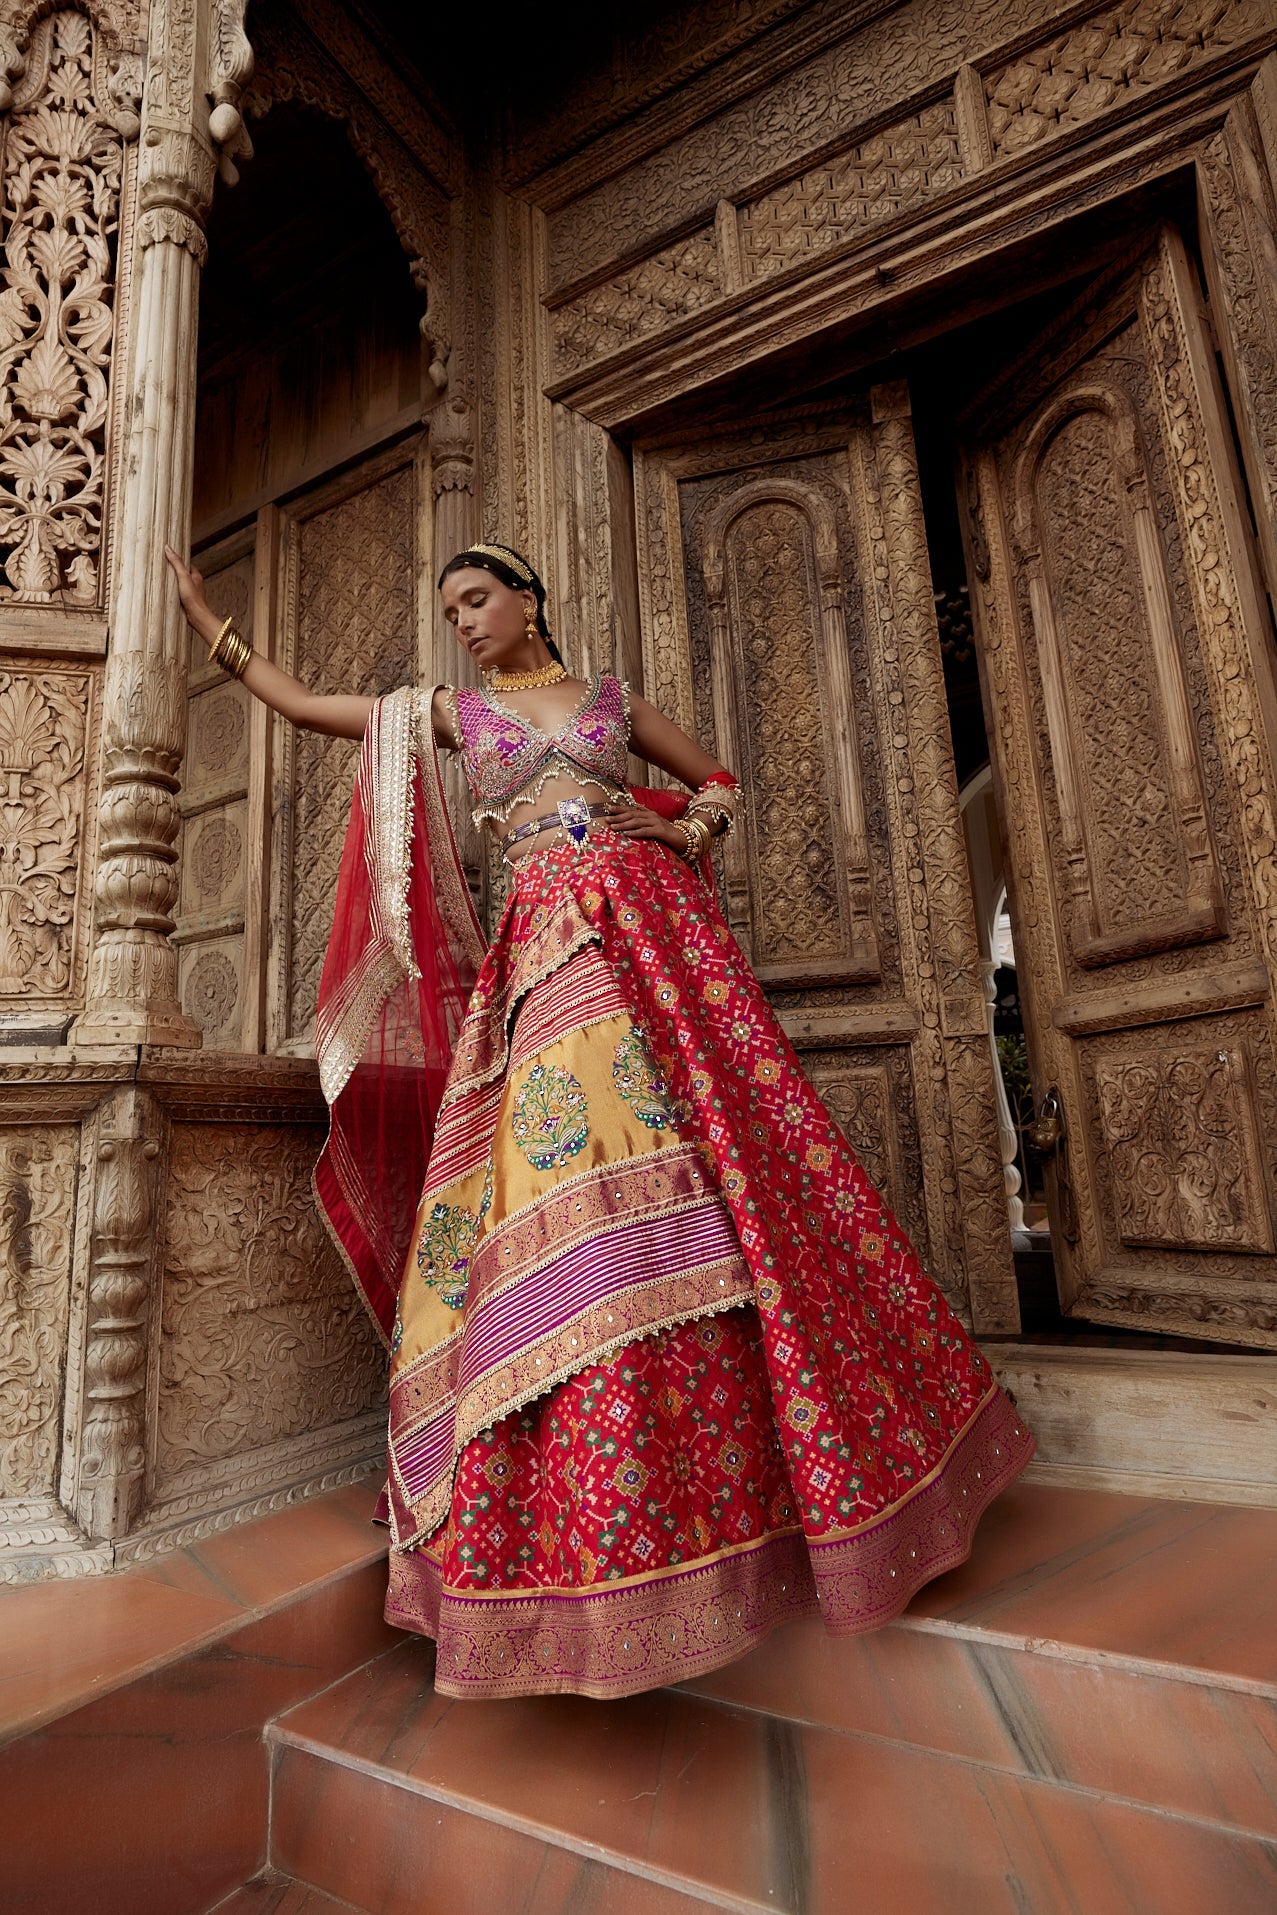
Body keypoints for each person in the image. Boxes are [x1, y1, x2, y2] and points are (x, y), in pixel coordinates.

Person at [166, 536, 1034, 1701]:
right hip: (545, 960)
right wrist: (216, 635)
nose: (463, 622)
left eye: (477, 599)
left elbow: (718, 780)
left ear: (529, 598)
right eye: (450, 610)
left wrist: (679, 829)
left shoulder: (612, 702)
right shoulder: (452, 718)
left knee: (730, 1179)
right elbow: (318, 710)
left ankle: (778, 1484)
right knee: (575, 1184)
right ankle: (597, 1485)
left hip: (654, 940)